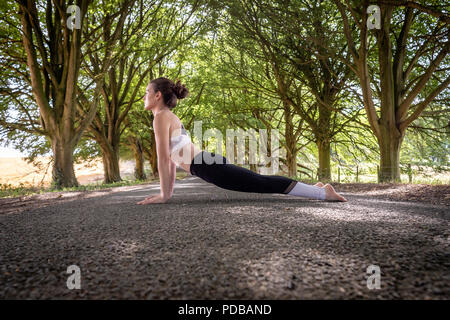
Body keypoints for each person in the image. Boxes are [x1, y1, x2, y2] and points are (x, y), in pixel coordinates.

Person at [137, 77, 347, 205]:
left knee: (262, 183)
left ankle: (321, 193)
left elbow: (164, 159)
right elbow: (170, 161)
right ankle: (316, 189)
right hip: (207, 164)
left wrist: (165, 196)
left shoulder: (161, 117)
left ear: (157, 96)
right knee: (260, 182)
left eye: (146, 92)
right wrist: (166, 194)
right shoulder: (166, 117)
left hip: (208, 166)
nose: (144, 96)